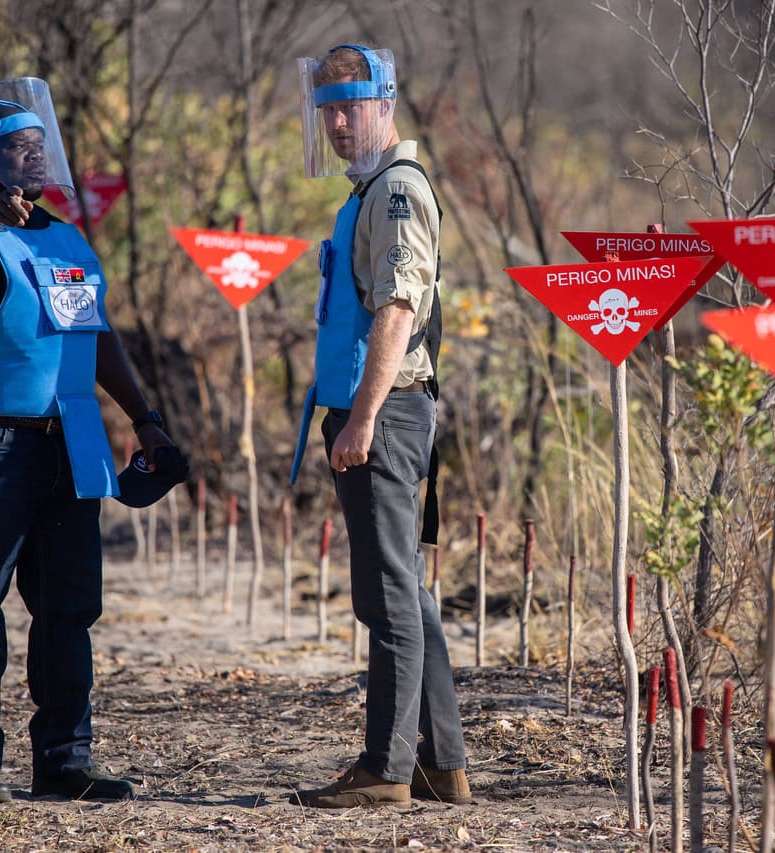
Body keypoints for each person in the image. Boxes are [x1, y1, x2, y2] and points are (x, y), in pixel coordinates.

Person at [0, 77, 184, 805]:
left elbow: (96, 337)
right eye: (13, 146)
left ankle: (65, 758)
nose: (30, 156)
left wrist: (145, 418)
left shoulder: (67, 238)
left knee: (69, 606)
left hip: (71, 439)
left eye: (37, 144)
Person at [288, 44, 470, 809]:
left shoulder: (396, 189)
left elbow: (400, 307)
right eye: (326, 107)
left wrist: (361, 418)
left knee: (389, 593)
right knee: (406, 590)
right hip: (378, 409)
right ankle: (441, 765)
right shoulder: (368, 190)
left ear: (384, 102)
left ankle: (385, 770)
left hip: (385, 411)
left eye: (349, 106)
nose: (335, 122)